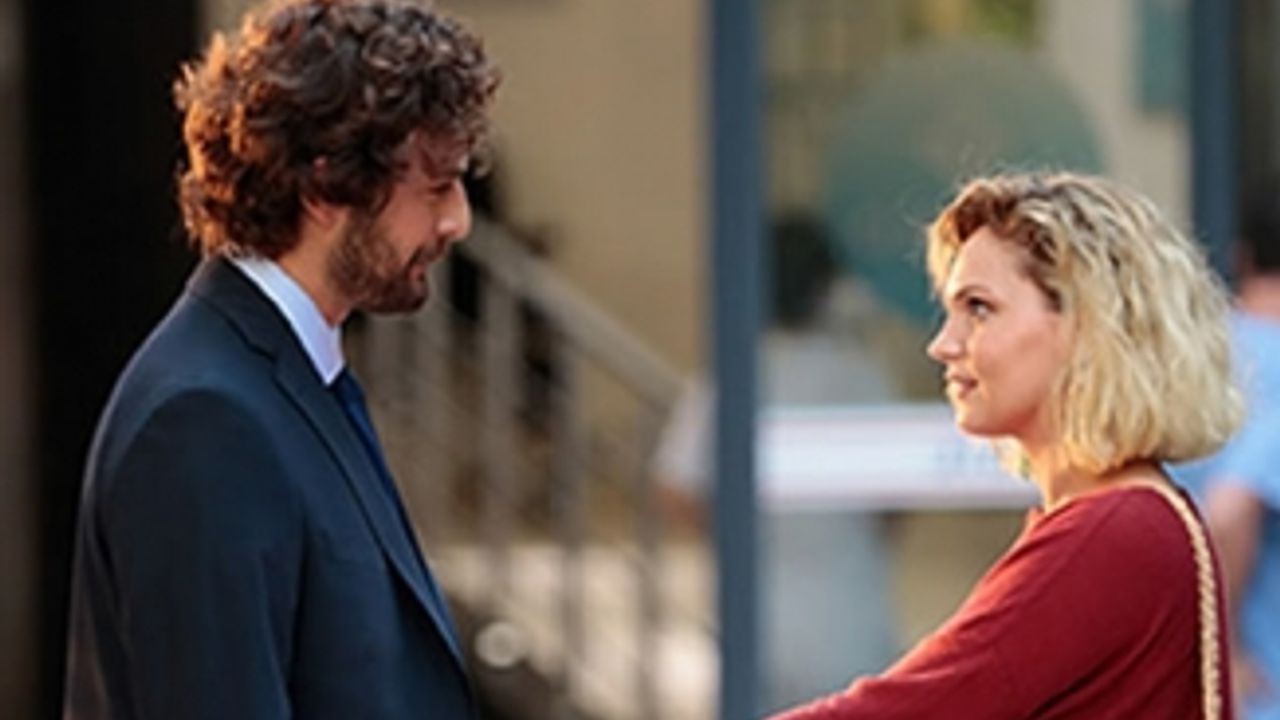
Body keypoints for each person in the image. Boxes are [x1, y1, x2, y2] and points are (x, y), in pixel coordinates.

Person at [61, 1, 499, 717]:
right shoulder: (205, 420)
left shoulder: (281, 379)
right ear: (325, 188)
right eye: (436, 187)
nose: (458, 221)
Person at [770, 172, 1244, 719]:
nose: (943, 344)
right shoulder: (1128, 518)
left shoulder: (1112, 533)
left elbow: (907, 712)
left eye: (978, 308)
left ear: (1089, 325)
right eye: (949, 312)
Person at [1173, 179, 1280, 719]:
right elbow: (1232, 505)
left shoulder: (1191, 359)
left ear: (1240, 258)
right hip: (1259, 686)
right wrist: (1228, 650)